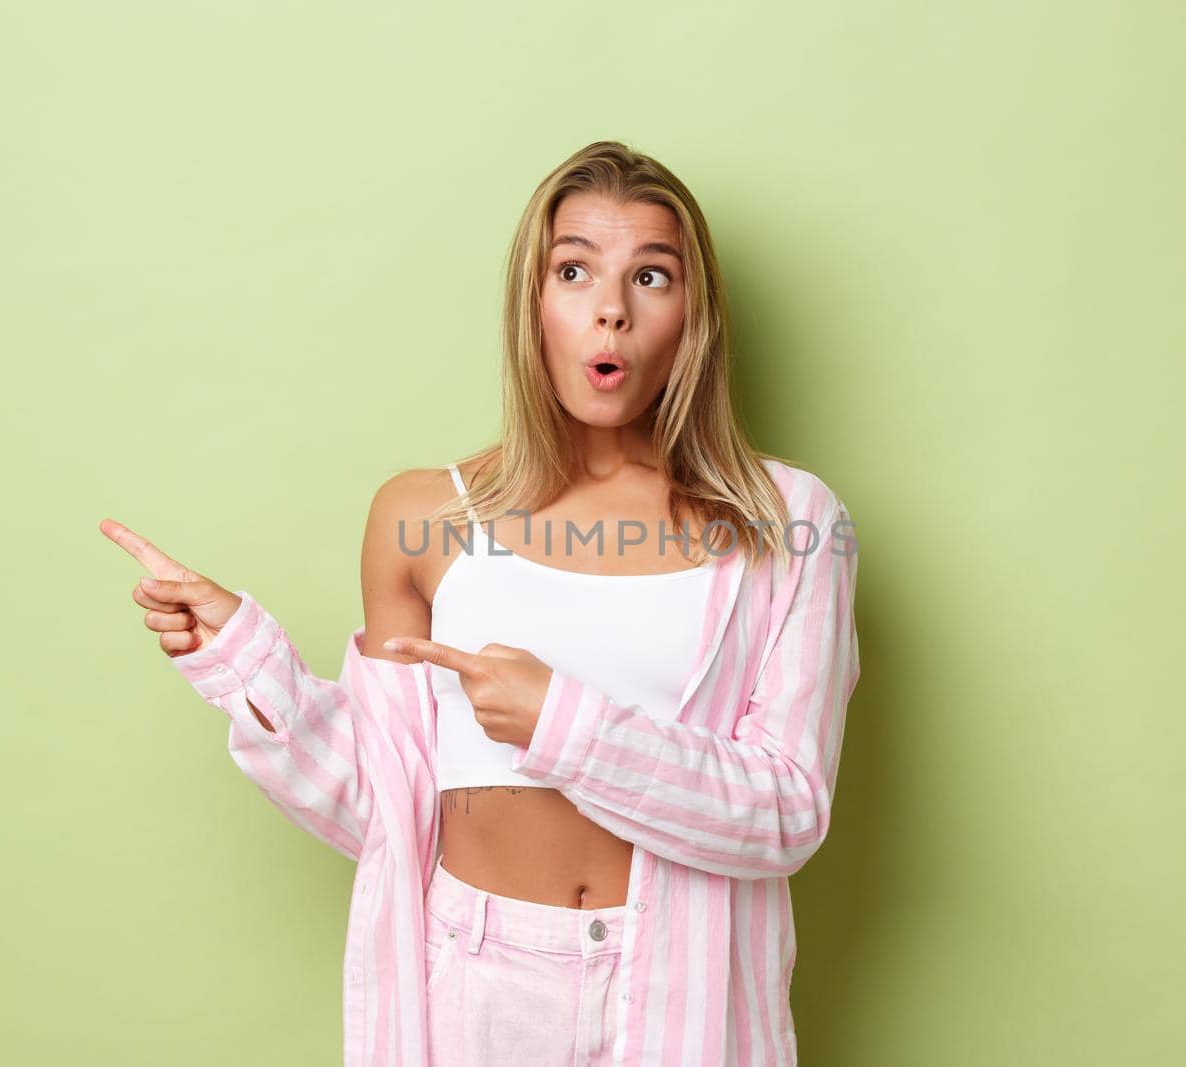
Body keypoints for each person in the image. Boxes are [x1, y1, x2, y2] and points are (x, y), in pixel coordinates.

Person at [101, 140, 861, 1067]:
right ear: (533, 304)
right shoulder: (424, 517)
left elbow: (785, 812)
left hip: (688, 989)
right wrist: (246, 663)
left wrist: (562, 721)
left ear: (692, 314)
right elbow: (390, 809)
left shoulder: (786, 523)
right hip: (479, 985)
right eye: (574, 270)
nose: (610, 310)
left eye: (651, 276)